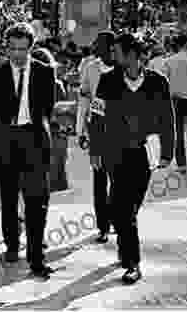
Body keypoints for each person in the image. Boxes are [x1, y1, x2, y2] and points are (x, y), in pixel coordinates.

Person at [93, 33, 174, 284]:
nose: (112, 56)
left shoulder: (157, 81)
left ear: (132, 55)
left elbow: (167, 118)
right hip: (114, 153)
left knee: (128, 207)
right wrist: (95, 149)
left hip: (145, 153)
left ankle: (125, 244)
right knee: (123, 208)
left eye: (116, 52)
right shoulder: (107, 80)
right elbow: (96, 116)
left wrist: (167, 152)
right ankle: (132, 263)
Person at [0, 22, 55, 279]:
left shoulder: (45, 72)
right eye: (13, 49)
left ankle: (37, 258)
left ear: (31, 47)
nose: (18, 54)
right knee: (9, 197)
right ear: (7, 48)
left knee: (38, 201)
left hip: (34, 139)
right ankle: (12, 244)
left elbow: (48, 107)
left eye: (23, 49)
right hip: (6, 140)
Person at [76, 31, 116, 243]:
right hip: (98, 130)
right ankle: (103, 226)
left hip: (121, 133)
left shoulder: (123, 68)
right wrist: (80, 130)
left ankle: (120, 219)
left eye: (98, 44)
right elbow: (84, 100)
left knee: (120, 182)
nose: (94, 47)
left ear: (111, 47)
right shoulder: (90, 68)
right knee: (100, 180)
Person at [162, 34, 187, 170]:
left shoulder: (169, 61)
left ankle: (181, 163)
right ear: (186, 44)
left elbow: (165, 82)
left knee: (178, 132)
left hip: (176, 100)